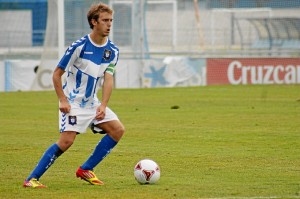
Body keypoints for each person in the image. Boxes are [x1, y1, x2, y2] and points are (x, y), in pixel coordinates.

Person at [23, 2, 125, 188]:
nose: (109, 24)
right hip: (73, 103)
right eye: (104, 20)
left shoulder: (113, 51)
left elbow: (108, 79)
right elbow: (56, 74)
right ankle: (31, 179)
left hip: (92, 103)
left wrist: (103, 105)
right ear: (94, 22)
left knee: (117, 130)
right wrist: (62, 99)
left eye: (111, 20)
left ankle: (86, 169)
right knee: (67, 141)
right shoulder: (79, 46)